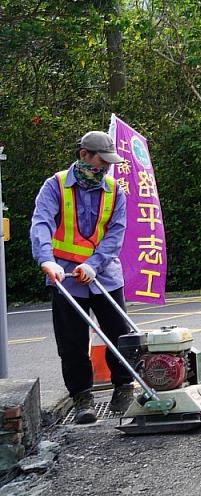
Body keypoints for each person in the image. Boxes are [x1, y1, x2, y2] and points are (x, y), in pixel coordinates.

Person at [30, 131, 134, 424]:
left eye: (109, 165)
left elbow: (116, 232)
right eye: (101, 162)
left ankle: (123, 389)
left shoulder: (114, 190)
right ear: (84, 155)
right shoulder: (55, 186)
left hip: (104, 274)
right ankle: (82, 397)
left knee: (120, 335)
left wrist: (95, 264)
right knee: (72, 341)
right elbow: (41, 223)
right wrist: (47, 259)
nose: (105, 169)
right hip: (65, 275)